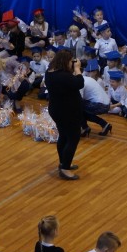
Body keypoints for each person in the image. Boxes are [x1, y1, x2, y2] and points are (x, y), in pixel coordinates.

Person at [44, 50, 85, 180]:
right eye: (71, 61)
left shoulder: (50, 72)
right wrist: (77, 69)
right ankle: (65, 169)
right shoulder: (63, 76)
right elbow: (79, 83)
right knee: (73, 138)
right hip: (67, 111)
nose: (72, 63)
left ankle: (63, 163)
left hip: (57, 109)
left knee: (63, 136)